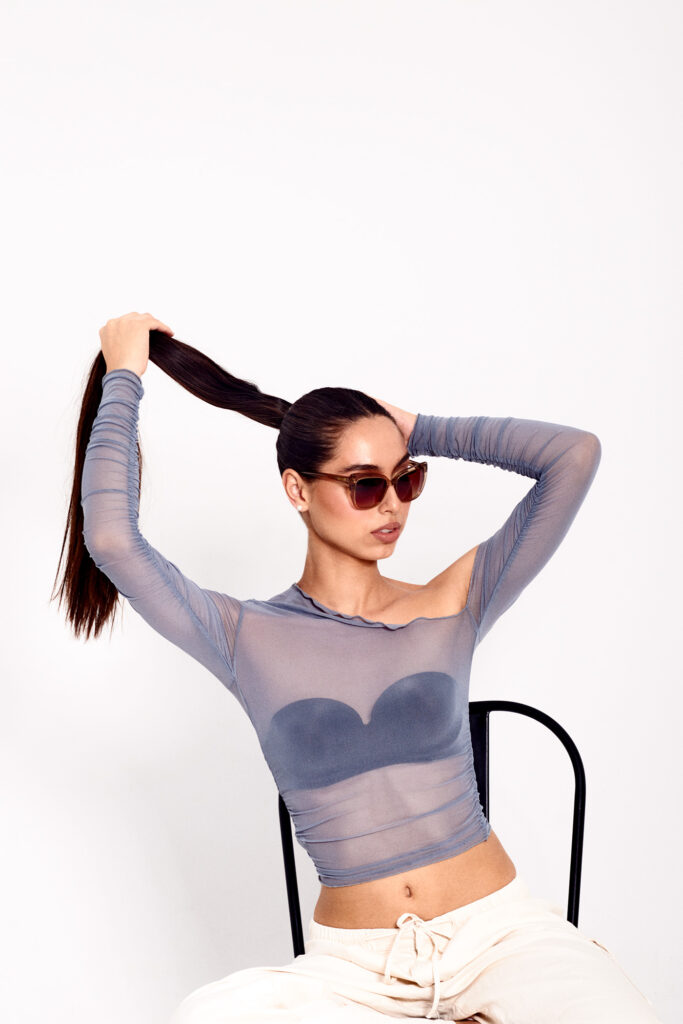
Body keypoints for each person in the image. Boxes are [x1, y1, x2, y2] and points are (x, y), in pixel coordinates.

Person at [63, 312, 661, 1023]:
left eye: (406, 480)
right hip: (353, 972)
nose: (393, 506)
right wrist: (124, 374)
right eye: (365, 485)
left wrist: (417, 427)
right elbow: (112, 539)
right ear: (297, 490)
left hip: (501, 938)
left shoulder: (453, 602)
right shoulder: (243, 636)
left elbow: (574, 455)